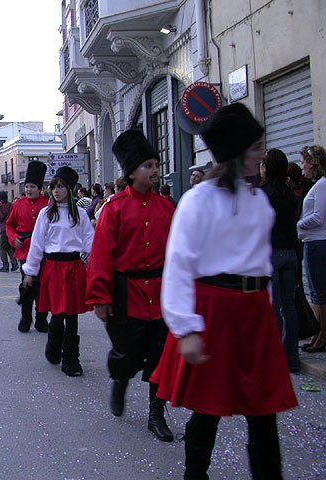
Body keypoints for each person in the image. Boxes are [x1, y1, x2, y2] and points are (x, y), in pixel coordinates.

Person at [151, 104, 298, 478]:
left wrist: (267, 311)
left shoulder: (259, 201)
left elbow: (261, 264)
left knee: (263, 412)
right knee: (209, 409)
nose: (263, 155)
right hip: (214, 310)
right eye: (256, 148)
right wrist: (186, 327)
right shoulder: (198, 201)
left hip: (254, 313)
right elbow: (180, 266)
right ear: (236, 153)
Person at [86, 129, 175, 442]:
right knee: (126, 351)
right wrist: (100, 297)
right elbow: (100, 255)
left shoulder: (167, 207)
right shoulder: (115, 208)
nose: (155, 171)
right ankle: (120, 381)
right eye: (148, 165)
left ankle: (156, 413)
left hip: (162, 294)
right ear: (132, 172)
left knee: (162, 355)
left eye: (156, 164)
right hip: (127, 293)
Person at [23, 166, 94, 376]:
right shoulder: (46, 213)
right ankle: (54, 345)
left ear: (69, 189)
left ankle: (71, 359)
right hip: (53, 268)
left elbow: (91, 242)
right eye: (54, 187)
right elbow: (37, 244)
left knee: (72, 316)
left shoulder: (79, 214)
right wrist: (30, 271)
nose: (56, 190)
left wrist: (103, 265)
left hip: (73, 267)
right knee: (57, 314)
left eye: (61, 187)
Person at [260, 149, 300, 371]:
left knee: (273, 308)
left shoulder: (263, 194)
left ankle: (274, 359)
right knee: (290, 307)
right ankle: (291, 358)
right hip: (290, 253)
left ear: (266, 167)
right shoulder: (290, 194)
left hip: (271, 253)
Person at [5, 161, 49, 333]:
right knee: (27, 284)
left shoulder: (47, 205)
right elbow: (9, 225)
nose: (29, 190)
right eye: (27, 186)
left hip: (44, 251)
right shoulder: (18, 205)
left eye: (32, 186)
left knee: (43, 287)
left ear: (40, 188)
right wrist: (13, 238)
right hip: (24, 250)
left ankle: (41, 319)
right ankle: (26, 317)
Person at [297, 144, 326, 352]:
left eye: (304, 162)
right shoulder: (318, 185)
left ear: (313, 163)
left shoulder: (322, 185)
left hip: (317, 242)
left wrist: (299, 224)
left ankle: (322, 335)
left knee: (319, 292)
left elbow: (319, 216)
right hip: (312, 241)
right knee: (317, 292)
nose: (302, 167)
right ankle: (318, 333)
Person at [0, 191, 17, 273]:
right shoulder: (11, 205)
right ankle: (14, 263)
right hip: (11, 228)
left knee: (2, 248)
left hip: (4, 228)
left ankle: (5, 265)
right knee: (9, 247)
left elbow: (0, 217)